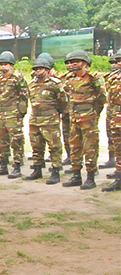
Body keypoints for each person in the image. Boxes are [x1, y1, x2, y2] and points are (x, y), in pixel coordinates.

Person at [61, 50, 106, 189]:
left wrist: (93, 113)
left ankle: (91, 178)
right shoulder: (69, 79)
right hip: (74, 119)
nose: (72, 64)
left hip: (88, 119)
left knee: (90, 148)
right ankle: (76, 176)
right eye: (70, 62)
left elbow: (101, 98)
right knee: (75, 147)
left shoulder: (94, 79)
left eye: (76, 61)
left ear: (84, 63)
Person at [24, 58, 67, 184]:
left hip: (50, 120)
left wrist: (55, 113)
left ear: (47, 70)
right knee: (36, 146)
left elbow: (63, 102)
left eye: (40, 69)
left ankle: (55, 170)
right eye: (35, 69)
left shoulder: (55, 84)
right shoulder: (32, 84)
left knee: (54, 146)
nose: (37, 71)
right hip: (35, 119)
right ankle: (37, 169)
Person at [0, 51, 29, 179]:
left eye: (6, 64)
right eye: (1, 64)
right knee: (1, 140)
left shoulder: (18, 78)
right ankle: (3, 165)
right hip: (1, 112)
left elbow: (24, 95)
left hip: (13, 112)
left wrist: (21, 112)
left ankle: (17, 165)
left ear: (11, 65)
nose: (3, 67)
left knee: (16, 139)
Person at [102, 49, 121, 192]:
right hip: (115, 116)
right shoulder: (112, 78)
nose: (118, 64)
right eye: (117, 61)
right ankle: (119, 176)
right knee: (118, 146)